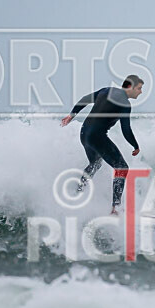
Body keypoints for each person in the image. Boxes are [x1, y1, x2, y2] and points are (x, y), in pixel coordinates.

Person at [61, 75, 143, 214]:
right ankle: (115, 208)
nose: (140, 92)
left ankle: (78, 192)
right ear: (130, 86)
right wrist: (135, 146)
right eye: (139, 88)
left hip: (84, 133)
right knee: (122, 167)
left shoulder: (106, 90)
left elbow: (84, 100)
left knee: (95, 163)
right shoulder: (125, 104)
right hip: (97, 136)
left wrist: (71, 115)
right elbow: (126, 129)